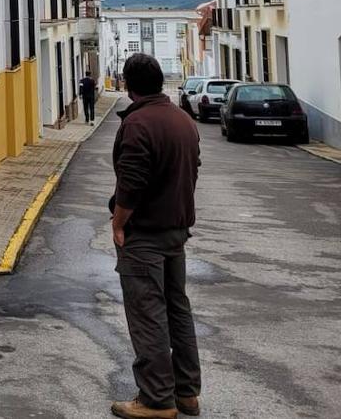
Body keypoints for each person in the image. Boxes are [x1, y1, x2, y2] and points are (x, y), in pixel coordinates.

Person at [108, 53, 202, 419]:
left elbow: (132, 182)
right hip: (176, 231)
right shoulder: (183, 120)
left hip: (144, 234)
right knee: (178, 310)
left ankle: (156, 399)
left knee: (148, 314)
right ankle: (187, 392)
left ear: (128, 85)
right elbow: (193, 169)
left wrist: (118, 223)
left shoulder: (138, 124)